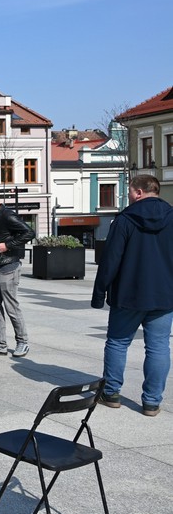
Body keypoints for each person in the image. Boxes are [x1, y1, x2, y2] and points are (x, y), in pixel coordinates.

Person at [92, 174, 173, 416]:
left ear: (138, 192)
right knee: (159, 347)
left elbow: (110, 259)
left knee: (118, 342)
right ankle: (152, 402)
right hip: (164, 294)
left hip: (128, 294)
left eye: (129, 190)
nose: (127, 195)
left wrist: (99, 293)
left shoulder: (125, 220)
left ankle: (111, 393)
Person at [0, 187, 35, 357]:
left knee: (11, 307)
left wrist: (8, 245)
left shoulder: (7, 215)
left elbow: (29, 232)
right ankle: (0, 343)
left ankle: (22, 342)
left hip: (8, 266)